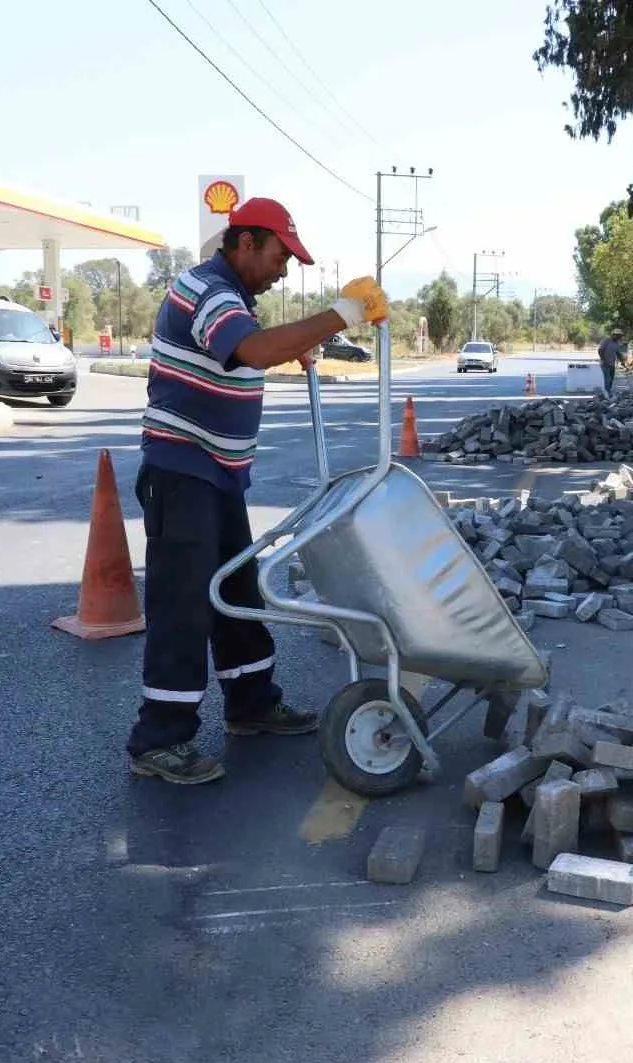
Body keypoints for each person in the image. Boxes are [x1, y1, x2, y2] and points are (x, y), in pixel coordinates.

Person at [128, 197, 388, 785]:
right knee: (183, 603)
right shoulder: (207, 289)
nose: (283, 270)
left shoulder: (234, 298)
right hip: (182, 469)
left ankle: (251, 705)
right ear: (245, 243)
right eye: (279, 256)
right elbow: (253, 349)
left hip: (214, 472)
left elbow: (250, 348)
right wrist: (342, 312)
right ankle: (158, 740)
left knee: (236, 590)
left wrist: (288, 343)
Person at [598, 328, 626, 393]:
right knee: (607, 379)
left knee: (611, 379)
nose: (619, 337)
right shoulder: (606, 341)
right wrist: (603, 359)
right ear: (614, 335)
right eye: (618, 336)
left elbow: (618, 354)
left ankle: (608, 391)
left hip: (612, 364)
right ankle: (606, 393)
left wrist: (622, 362)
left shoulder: (616, 343)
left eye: (620, 336)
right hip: (605, 364)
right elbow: (600, 350)